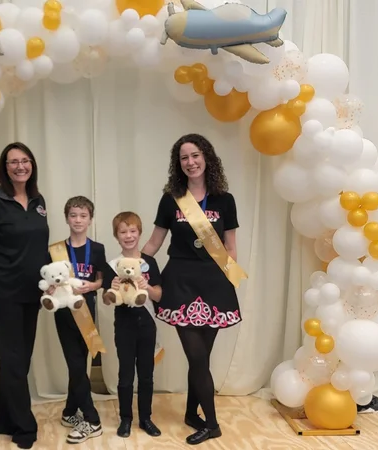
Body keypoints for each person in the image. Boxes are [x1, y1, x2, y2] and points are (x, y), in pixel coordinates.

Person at [141, 133, 241, 445]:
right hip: (180, 283)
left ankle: (189, 413)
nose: (190, 162)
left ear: (206, 157)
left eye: (195, 155)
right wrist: (134, 267)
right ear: (178, 164)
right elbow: (155, 243)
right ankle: (212, 424)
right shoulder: (171, 198)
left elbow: (230, 248)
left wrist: (226, 282)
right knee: (197, 357)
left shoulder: (225, 199)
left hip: (213, 284)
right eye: (184, 157)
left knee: (201, 359)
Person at [0, 142, 48, 449]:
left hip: (32, 295)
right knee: (14, 360)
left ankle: (3, 416)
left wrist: (50, 283)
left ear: (32, 165)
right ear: (5, 168)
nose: (20, 166)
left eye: (25, 161)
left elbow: (39, 247)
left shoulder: (38, 200)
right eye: (13, 162)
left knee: (19, 360)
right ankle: (24, 427)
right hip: (3, 295)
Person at [102, 211, 163, 439]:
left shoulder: (150, 263)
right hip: (124, 326)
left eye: (132, 231)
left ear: (139, 232)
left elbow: (158, 296)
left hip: (147, 325)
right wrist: (113, 289)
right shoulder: (112, 266)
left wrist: (146, 287)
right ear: (117, 236)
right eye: (123, 232)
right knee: (125, 375)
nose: (128, 236)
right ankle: (125, 419)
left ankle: (146, 418)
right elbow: (107, 300)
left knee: (146, 374)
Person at [54, 196, 106, 444]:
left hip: (87, 309)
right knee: (75, 365)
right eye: (73, 215)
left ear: (90, 219)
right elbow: (50, 281)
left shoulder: (97, 249)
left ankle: (68, 412)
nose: (78, 220)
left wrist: (91, 286)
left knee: (80, 364)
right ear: (67, 218)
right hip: (64, 313)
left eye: (83, 216)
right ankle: (92, 419)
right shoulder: (56, 250)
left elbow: (101, 280)